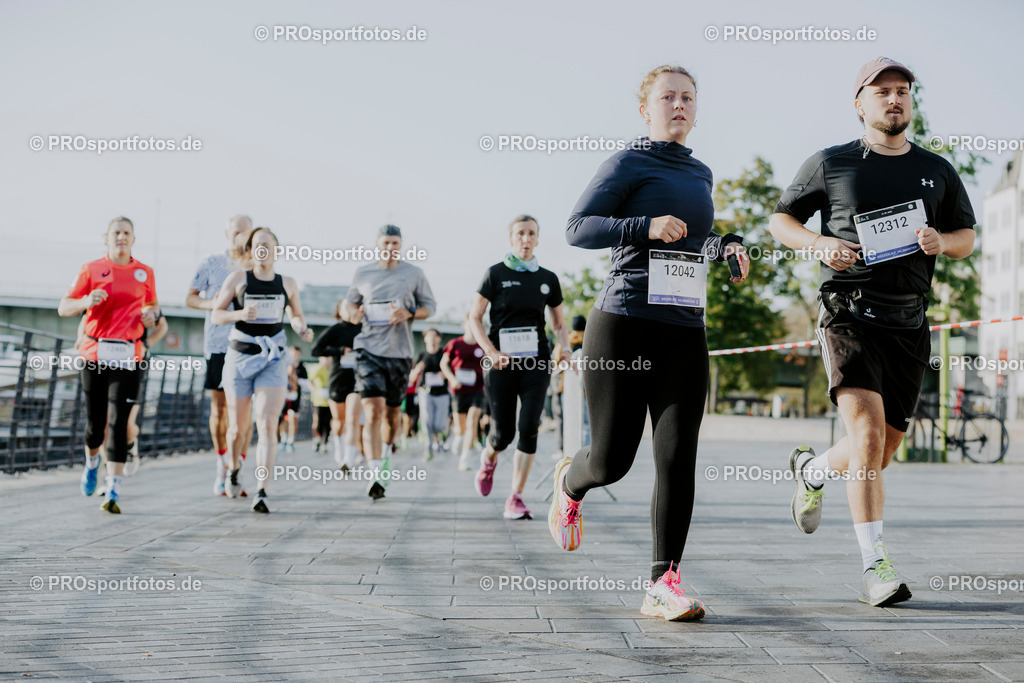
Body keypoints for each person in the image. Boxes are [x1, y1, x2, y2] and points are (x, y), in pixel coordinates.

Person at [769, 57, 976, 607]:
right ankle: (875, 566)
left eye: (902, 91)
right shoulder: (832, 163)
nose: (893, 99)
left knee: (880, 454)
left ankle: (812, 469)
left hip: (910, 322)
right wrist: (818, 245)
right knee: (864, 440)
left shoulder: (937, 170)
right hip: (848, 311)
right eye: (881, 91)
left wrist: (941, 242)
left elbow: (967, 236)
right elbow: (780, 220)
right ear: (858, 102)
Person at [550, 65, 749, 621]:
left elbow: (694, 241)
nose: (679, 105)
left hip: (684, 327)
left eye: (688, 97)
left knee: (678, 457)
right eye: (668, 97)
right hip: (624, 321)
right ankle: (571, 480)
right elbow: (578, 227)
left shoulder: (702, 173)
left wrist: (725, 246)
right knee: (612, 461)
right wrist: (643, 225)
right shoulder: (626, 162)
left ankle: (663, 584)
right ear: (646, 109)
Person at [468, 215, 572, 521]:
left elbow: (559, 323)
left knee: (529, 427)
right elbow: (474, 317)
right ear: (511, 239)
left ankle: (515, 497)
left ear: (538, 239)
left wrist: (564, 348)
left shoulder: (548, 278)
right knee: (503, 434)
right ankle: (488, 459)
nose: (526, 239)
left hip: (536, 362)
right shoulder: (495, 274)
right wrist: (490, 351)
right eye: (520, 234)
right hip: (500, 363)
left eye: (532, 234)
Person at [58, 216, 161, 514]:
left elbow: (153, 306)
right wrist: (86, 301)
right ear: (107, 238)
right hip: (95, 354)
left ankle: (113, 488)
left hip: (129, 356)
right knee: (95, 425)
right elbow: (64, 306)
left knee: (118, 423)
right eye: (116, 232)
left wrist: (150, 317)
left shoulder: (145, 272)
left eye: (126, 233)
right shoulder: (91, 269)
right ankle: (92, 463)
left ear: (133, 239)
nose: (121, 237)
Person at [211, 227, 314, 513]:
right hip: (240, 356)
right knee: (236, 428)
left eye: (268, 245)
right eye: (258, 245)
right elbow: (217, 314)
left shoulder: (288, 283)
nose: (263, 250)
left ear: (277, 250)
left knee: (267, 423)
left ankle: (261, 491)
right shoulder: (238, 279)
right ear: (250, 250)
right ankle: (233, 469)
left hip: (272, 359)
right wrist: (239, 314)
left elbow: (295, 315)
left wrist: (301, 329)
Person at [344, 225, 436, 499]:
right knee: (372, 411)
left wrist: (407, 313)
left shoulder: (414, 274)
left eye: (395, 242)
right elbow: (348, 304)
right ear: (377, 244)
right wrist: (352, 313)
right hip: (368, 349)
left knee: (392, 415)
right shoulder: (363, 273)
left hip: (399, 353)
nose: (390, 247)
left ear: (401, 245)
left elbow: (430, 307)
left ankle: (384, 456)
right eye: (386, 242)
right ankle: (374, 474)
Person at [187, 215, 255, 496]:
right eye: (236, 231)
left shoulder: (257, 263)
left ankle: (237, 468)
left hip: (249, 344)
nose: (240, 236)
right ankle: (221, 465)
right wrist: (212, 302)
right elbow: (190, 298)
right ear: (227, 232)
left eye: (245, 232)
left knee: (244, 412)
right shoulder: (211, 262)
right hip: (217, 344)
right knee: (220, 409)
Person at [311, 301, 363, 469]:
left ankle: (348, 459)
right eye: (347, 307)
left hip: (357, 379)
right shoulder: (335, 330)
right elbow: (316, 350)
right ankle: (339, 447)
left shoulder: (365, 329)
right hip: (338, 379)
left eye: (353, 307)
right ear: (340, 311)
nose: (351, 310)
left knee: (353, 419)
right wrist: (340, 350)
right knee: (339, 421)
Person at [441, 317, 486, 471]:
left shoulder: (483, 345)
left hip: (477, 390)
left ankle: (466, 457)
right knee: (461, 428)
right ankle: (458, 437)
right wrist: (452, 379)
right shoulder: (455, 344)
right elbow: (443, 363)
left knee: (472, 421)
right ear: (465, 325)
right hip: (458, 390)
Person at [410, 328, 449, 460]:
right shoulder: (421, 355)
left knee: (438, 424)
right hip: (425, 392)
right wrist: (417, 370)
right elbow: (412, 377)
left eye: (435, 336)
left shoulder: (443, 354)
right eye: (429, 336)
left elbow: (452, 371)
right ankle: (428, 448)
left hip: (442, 393)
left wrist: (446, 375)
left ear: (439, 338)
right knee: (426, 421)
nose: (432, 338)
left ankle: (439, 439)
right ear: (425, 339)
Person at [279, 345, 307, 452]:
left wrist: (296, 378)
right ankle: (283, 439)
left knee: (293, 418)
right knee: (282, 418)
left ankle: (291, 441)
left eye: (297, 354)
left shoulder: (301, 368)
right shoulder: (284, 365)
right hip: (284, 396)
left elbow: (305, 382)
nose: (295, 356)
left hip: (295, 396)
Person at [309, 356, 332, 453]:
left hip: (329, 401)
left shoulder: (330, 369)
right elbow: (311, 378)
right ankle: (318, 437)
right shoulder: (316, 368)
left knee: (327, 423)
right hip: (318, 401)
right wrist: (321, 365)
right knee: (318, 421)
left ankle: (325, 443)